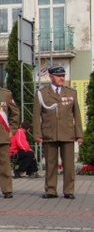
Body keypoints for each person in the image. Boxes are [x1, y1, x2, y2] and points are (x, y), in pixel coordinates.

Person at [33, 65, 83, 199]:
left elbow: (76, 115)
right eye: (59, 76)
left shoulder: (71, 92)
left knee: (69, 165)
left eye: (63, 76)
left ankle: (69, 191)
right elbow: (36, 116)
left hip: (67, 133)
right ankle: (50, 190)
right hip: (49, 133)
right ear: (51, 76)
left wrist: (79, 134)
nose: (62, 78)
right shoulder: (42, 93)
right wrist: (37, 134)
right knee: (51, 164)